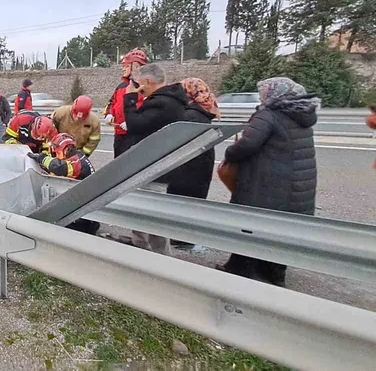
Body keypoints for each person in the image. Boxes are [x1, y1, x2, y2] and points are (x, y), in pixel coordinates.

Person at [217, 77, 319, 287]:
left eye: (264, 92)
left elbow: (247, 145)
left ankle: (240, 269)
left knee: (250, 224)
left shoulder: (268, 115)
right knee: (280, 230)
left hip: (266, 183)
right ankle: (274, 274)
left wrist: (229, 152)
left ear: (275, 94)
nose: (261, 96)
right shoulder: (301, 115)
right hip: (297, 185)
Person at [121, 63, 189, 255]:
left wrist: (130, 98)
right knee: (145, 209)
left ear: (147, 82)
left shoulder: (162, 103)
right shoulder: (170, 100)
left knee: (152, 213)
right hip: (155, 163)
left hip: (154, 166)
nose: (136, 87)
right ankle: (142, 245)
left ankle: (161, 256)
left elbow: (135, 124)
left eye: (138, 84)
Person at [167, 78, 220, 249]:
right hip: (202, 162)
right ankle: (186, 236)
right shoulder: (203, 111)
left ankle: (179, 237)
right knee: (194, 200)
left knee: (181, 200)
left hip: (188, 166)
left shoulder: (189, 115)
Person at [28, 133, 100, 235]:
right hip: (87, 206)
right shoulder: (78, 156)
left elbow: (60, 168)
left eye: (57, 152)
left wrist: (42, 158)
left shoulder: (77, 163)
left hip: (85, 216)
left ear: (66, 149)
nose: (56, 155)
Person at [102, 49, 146, 158]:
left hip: (134, 135)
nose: (123, 69)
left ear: (136, 66)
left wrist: (131, 123)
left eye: (126, 66)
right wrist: (109, 114)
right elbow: (112, 103)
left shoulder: (144, 87)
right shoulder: (121, 87)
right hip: (119, 134)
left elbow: (146, 109)